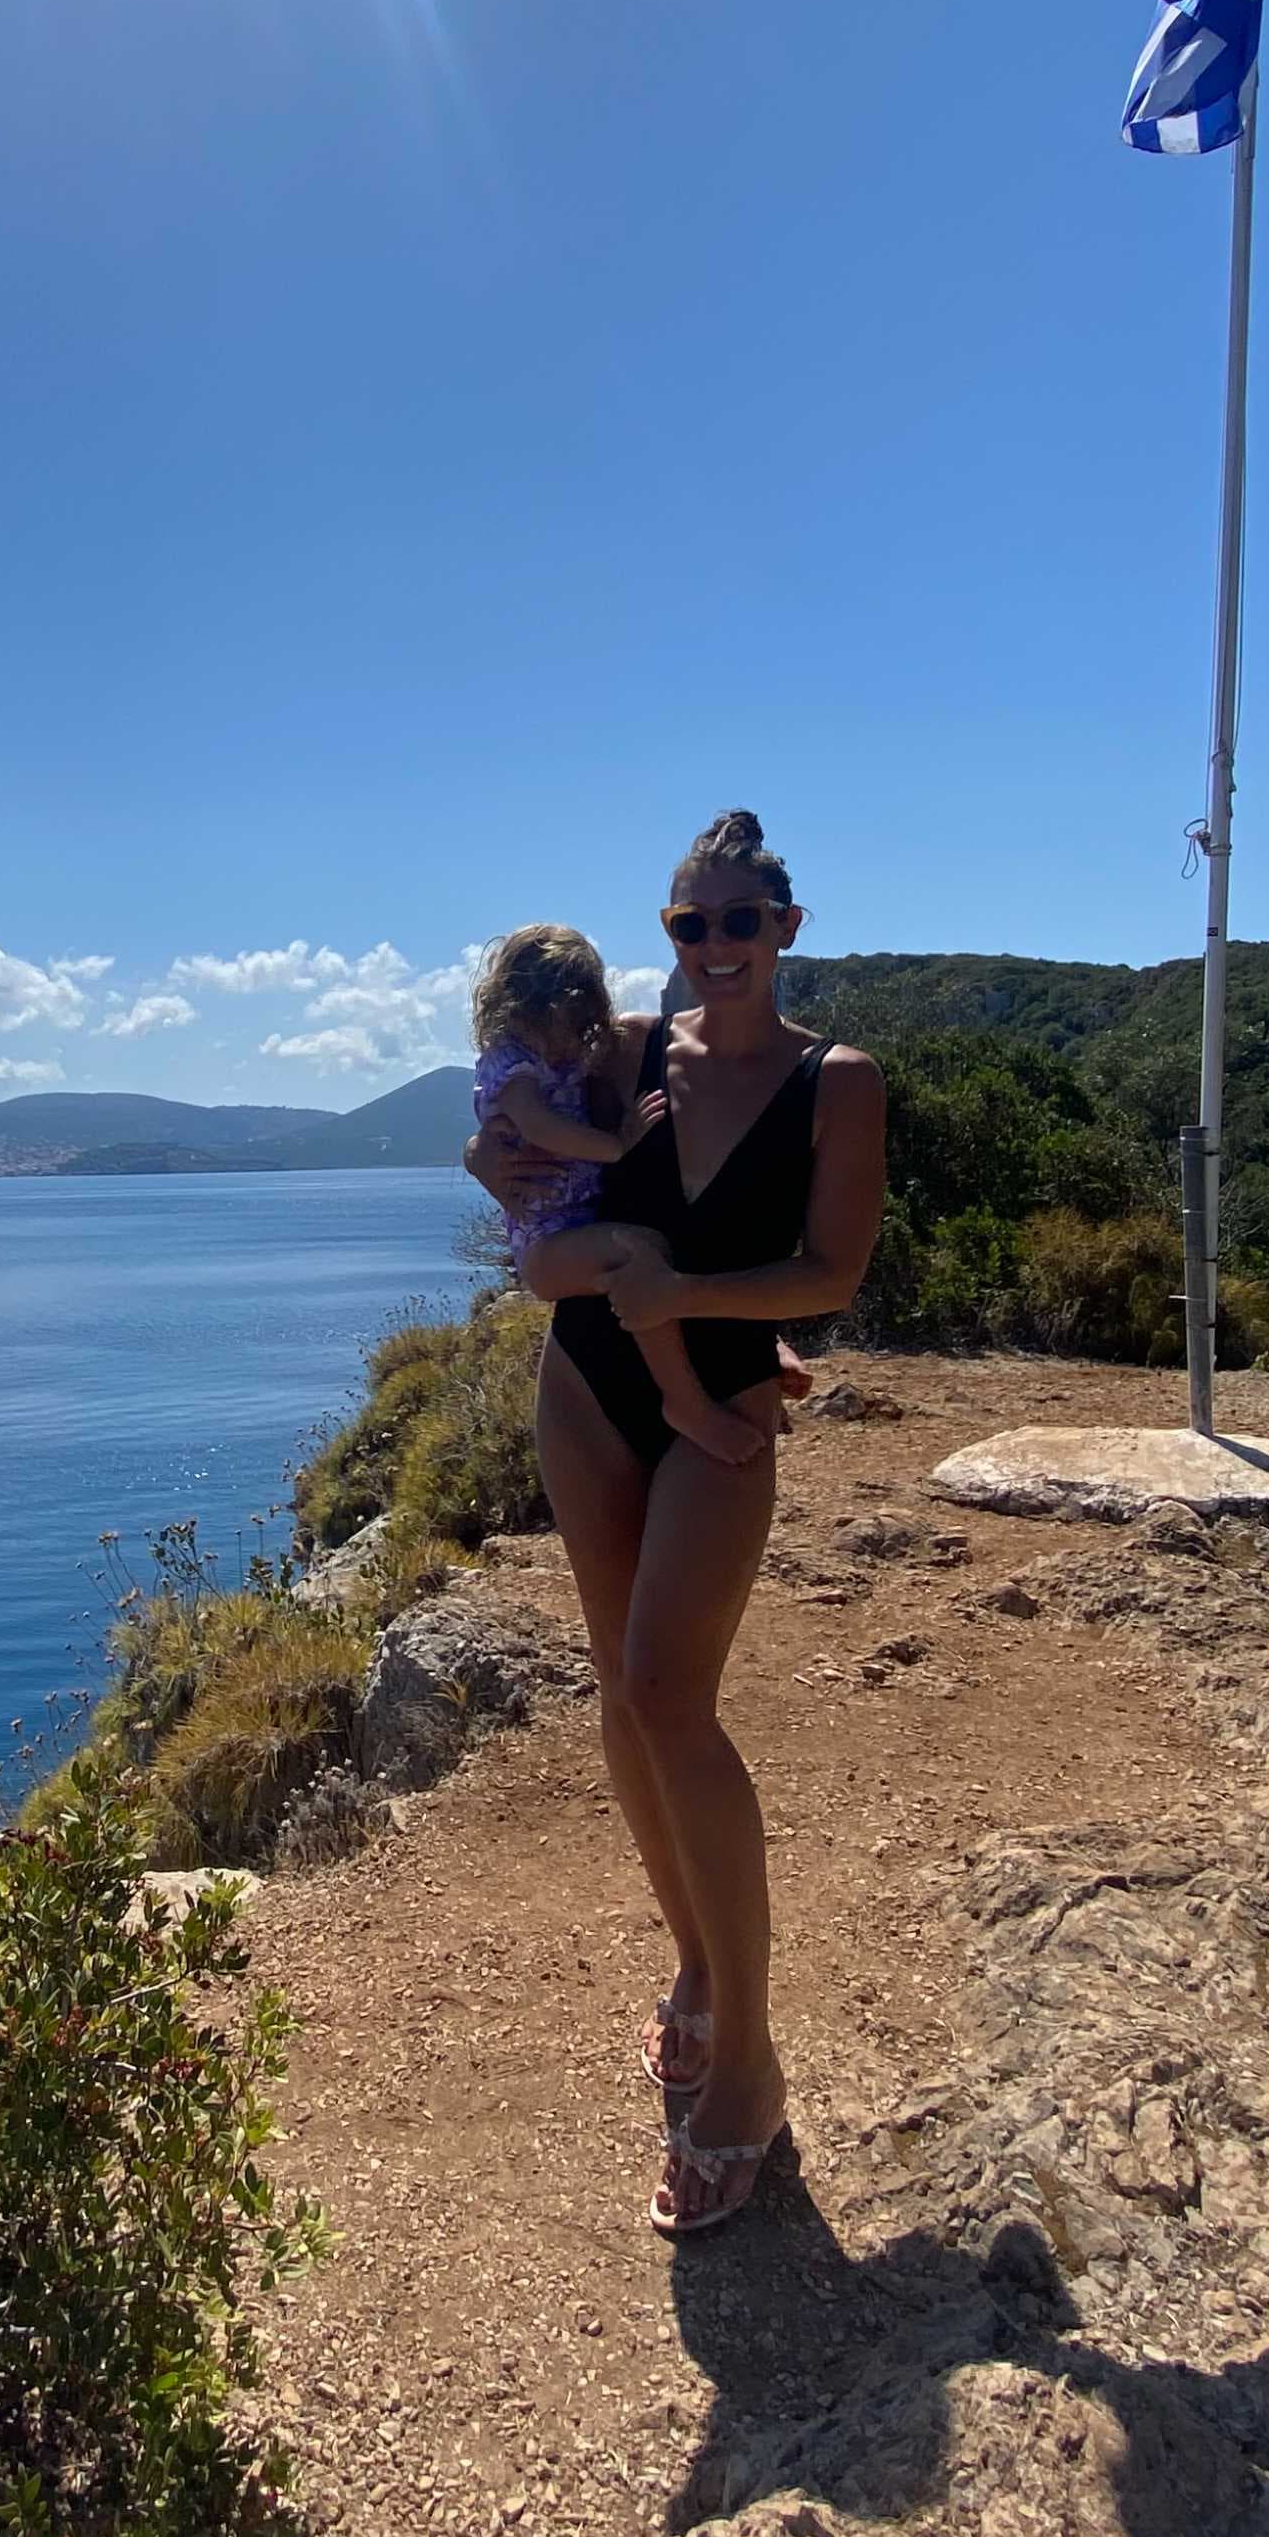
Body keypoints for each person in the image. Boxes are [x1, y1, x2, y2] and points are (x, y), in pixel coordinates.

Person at [466, 813, 886, 2237]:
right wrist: (491, 1169)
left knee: (668, 1695)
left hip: (719, 1406)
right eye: (687, 924)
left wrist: (699, 1305)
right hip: (587, 1389)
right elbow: (505, 1136)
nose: (713, 946)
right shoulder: (632, 1050)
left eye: (738, 921)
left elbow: (830, 1267)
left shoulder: (837, 1081)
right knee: (618, 1692)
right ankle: (700, 1971)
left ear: (786, 927)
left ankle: (749, 2064)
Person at [470, 922, 770, 1470]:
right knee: (639, 1254)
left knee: (659, 1250)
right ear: (533, 1008)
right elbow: (538, 1127)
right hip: (546, 1246)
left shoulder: (564, 1059)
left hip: (575, 1225)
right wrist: (618, 1144)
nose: (577, 1030)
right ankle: (685, 1403)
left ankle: (756, 1355)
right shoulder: (513, 1064)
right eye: (569, 1016)